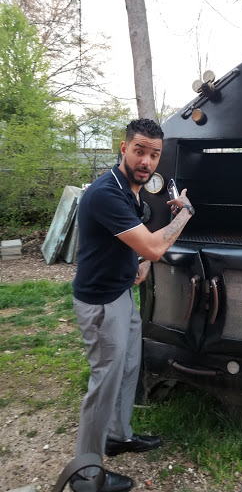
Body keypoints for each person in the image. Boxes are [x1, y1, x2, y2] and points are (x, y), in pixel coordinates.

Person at [71, 118, 195, 492]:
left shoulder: (131, 188)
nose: (146, 161)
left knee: (128, 367)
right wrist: (185, 212)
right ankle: (85, 473)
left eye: (154, 154)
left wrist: (136, 265)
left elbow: (127, 244)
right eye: (139, 151)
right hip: (101, 304)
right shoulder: (106, 192)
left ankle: (118, 435)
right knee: (104, 382)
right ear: (123, 148)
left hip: (121, 292)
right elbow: (155, 246)